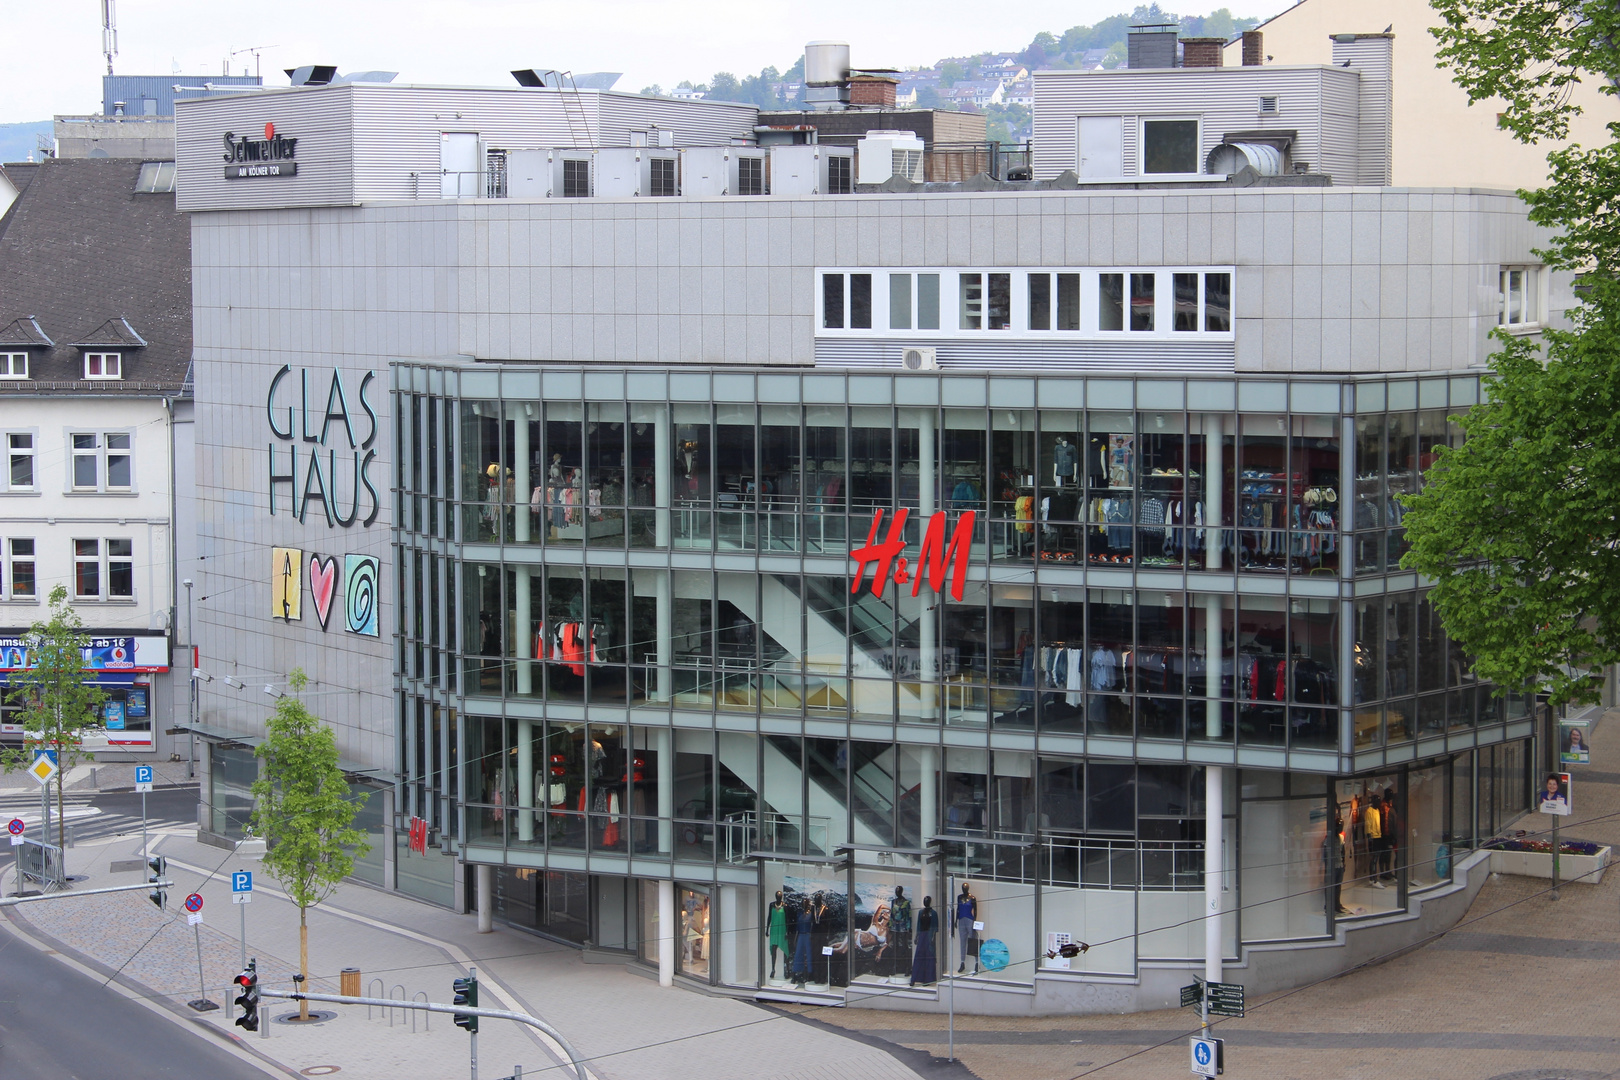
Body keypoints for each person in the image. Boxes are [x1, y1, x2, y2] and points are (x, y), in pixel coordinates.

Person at [910, 896, 938, 986]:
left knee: (929, 957)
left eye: (927, 901)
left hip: (929, 936)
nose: (925, 902)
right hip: (922, 935)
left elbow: (935, 928)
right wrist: (916, 936)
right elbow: (918, 925)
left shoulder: (933, 913)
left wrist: (933, 938)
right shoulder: (920, 912)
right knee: (919, 956)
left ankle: (928, 979)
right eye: (924, 900)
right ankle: (914, 978)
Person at [953, 885, 979, 975]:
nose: (964, 890)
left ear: (968, 889)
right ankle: (962, 962)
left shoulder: (972, 898)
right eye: (963, 888)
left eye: (965, 888)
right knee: (962, 941)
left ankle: (976, 963)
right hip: (961, 919)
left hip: (969, 919)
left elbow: (975, 911)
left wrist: (975, 921)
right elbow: (958, 909)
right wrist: (956, 920)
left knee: (973, 940)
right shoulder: (959, 897)